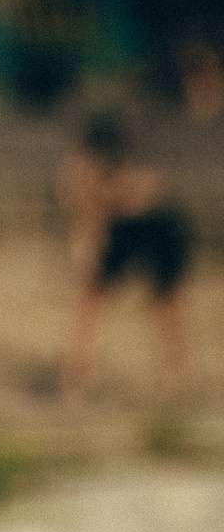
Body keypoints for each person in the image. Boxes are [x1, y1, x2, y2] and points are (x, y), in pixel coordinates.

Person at [58, 110, 195, 403]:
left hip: (154, 226)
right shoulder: (82, 172)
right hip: (120, 225)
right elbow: (84, 216)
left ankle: (177, 375)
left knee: (165, 301)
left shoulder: (127, 171)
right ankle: (77, 377)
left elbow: (135, 196)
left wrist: (97, 207)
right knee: (90, 298)